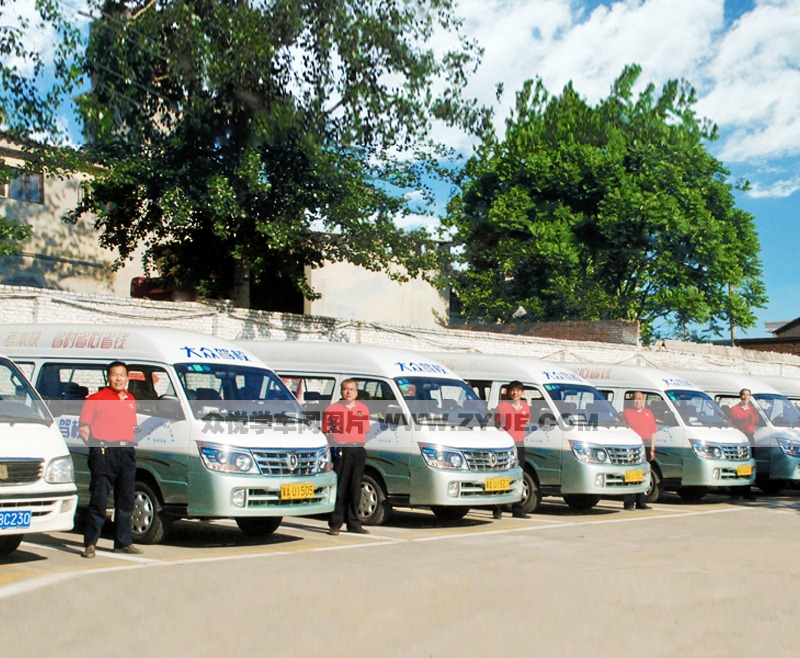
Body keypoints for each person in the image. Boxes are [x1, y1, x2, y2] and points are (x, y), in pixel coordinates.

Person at [79, 361, 142, 558]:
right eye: (114, 375)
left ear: (127, 378)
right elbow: (83, 428)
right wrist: (97, 448)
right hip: (104, 452)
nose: (118, 379)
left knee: (125, 500)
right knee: (99, 499)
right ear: (108, 377)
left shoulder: (130, 400)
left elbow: (131, 426)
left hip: (126, 452)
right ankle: (90, 543)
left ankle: (123, 542)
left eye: (122, 375)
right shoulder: (95, 399)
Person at [323, 379, 371, 535]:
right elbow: (326, 431)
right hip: (342, 450)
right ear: (341, 392)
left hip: (357, 450)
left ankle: (354, 523)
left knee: (355, 487)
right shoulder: (332, 409)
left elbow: (364, 430)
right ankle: (335, 523)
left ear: (356, 393)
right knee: (341, 487)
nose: (348, 392)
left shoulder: (363, 409)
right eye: (345, 389)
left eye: (351, 389)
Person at [493, 380, 530, 519]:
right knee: (502, 475)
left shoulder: (526, 407)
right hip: (505, 444)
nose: (515, 393)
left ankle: (517, 509)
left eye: (518, 390)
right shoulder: (502, 407)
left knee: (519, 475)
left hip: (519, 444)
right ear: (508, 392)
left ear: (522, 392)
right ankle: (497, 508)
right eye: (513, 390)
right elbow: (496, 425)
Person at [622, 391, 656, 511]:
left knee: (644, 474)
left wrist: (652, 449)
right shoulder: (627, 413)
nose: (638, 401)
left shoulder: (649, 414)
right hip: (632, 446)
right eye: (636, 399)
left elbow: (652, 433)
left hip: (646, 444)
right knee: (631, 474)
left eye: (640, 399)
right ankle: (629, 502)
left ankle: (641, 502)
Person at [728, 388, 759, 501]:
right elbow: (730, 423)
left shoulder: (753, 410)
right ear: (740, 396)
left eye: (747, 395)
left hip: (749, 438)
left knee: (749, 465)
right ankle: (735, 492)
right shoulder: (734, 409)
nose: (745, 397)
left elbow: (755, 422)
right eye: (743, 395)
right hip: (739, 438)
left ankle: (747, 491)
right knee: (738, 465)